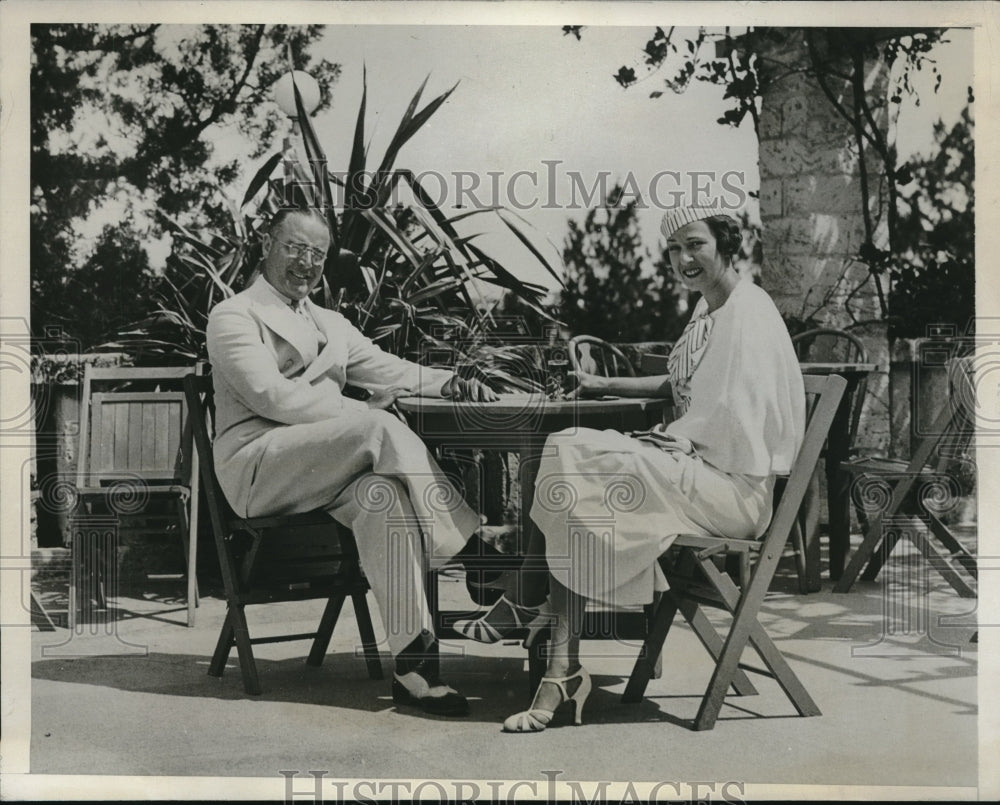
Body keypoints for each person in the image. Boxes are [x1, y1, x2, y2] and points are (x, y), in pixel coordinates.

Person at [456, 204, 805, 732]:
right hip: (703, 473)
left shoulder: (748, 311)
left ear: (725, 245)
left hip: (734, 493)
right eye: (674, 249)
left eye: (695, 245)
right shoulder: (712, 309)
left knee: (571, 452)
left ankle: (527, 599)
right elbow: (682, 385)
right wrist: (603, 386)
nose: (683, 258)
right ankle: (560, 667)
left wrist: (673, 441)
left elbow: (739, 414)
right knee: (570, 463)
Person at [206, 205, 497, 717]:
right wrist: (360, 409)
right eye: (295, 247)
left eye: (317, 253)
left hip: (325, 467)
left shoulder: (329, 322)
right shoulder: (234, 314)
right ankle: (476, 555)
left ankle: (415, 668)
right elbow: (272, 397)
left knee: (380, 497)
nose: (306, 263)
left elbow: (387, 368)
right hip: (260, 466)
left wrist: (449, 381)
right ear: (267, 245)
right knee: (378, 425)